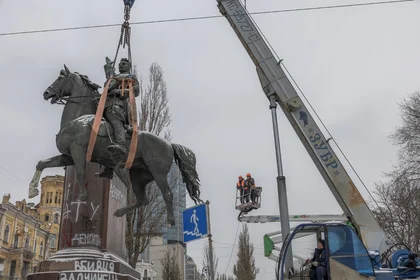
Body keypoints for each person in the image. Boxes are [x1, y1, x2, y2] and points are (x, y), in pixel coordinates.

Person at [96, 57, 140, 179]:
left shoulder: (131, 77)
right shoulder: (114, 77)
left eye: (124, 64)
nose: (121, 65)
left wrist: (118, 92)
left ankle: (120, 144)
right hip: (105, 104)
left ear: (129, 66)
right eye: (120, 64)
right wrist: (109, 67)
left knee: (115, 119)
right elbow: (110, 80)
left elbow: (135, 91)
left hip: (118, 105)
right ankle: (108, 167)